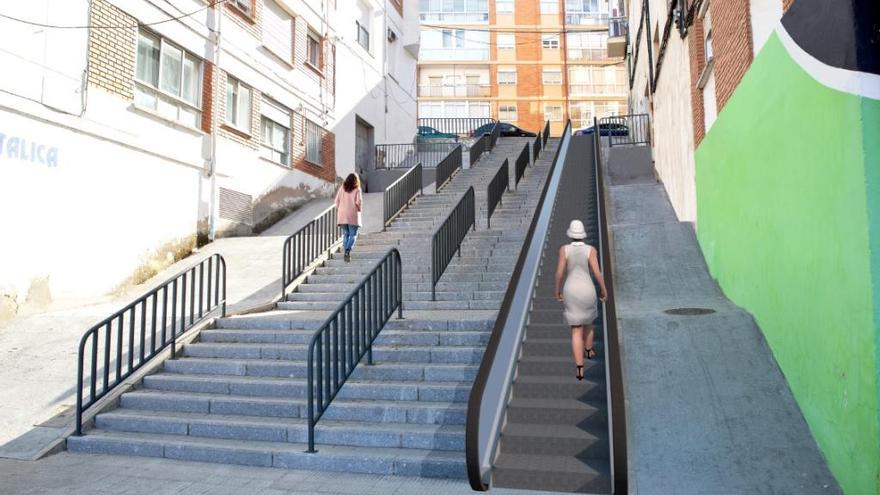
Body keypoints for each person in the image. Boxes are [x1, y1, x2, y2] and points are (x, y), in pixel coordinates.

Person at [555, 219, 607, 381]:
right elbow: (597, 272)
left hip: (570, 290)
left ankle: (579, 369)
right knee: (589, 324)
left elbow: (559, 273)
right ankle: (589, 350)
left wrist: (557, 290)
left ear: (571, 234)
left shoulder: (564, 250)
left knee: (576, 330)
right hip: (587, 289)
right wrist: (604, 290)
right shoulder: (590, 250)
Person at [335, 173, 363, 262]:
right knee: (353, 234)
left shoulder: (342, 188)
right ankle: (347, 250)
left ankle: (345, 251)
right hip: (352, 214)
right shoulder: (357, 189)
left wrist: (340, 209)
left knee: (345, 233)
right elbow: (358, 202)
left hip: (342, 214)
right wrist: (359, 209)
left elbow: (336, 201)